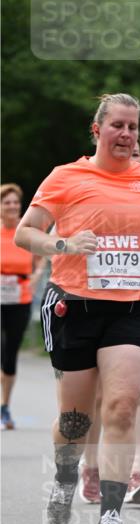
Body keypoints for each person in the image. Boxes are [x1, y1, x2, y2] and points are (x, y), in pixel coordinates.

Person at [15, 93, 140, 524]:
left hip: (133, 306)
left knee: (122, 406)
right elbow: (25, 232)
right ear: (97, 130)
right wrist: (66, 246)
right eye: (118, 126)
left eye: (133, 127)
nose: (127, 135)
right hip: (75, 305)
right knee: (76, 419)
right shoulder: (66, 177)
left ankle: (111, 517)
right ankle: (66, 477)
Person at [79, 142, 140, 507]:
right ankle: (91, 465)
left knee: (130, 395)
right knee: (98, 396)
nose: (135, 157)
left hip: (135, 305)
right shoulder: (87, 187)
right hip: (91, 302)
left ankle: (134, 470)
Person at [1, 183, 44, 429]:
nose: (12, 206)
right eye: (7, 202)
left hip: (20, 298)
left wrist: (37, 275)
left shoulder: (26, 231)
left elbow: (40, 259)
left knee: (10, 354)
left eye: (16, 202)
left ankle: (5, 407)